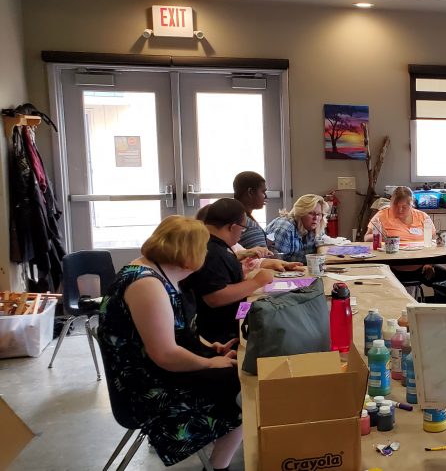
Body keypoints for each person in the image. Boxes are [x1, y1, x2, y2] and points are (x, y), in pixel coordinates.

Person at [96, 215, 242, 469]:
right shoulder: (146, 285)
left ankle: (220, 460)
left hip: (155, 369)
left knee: (238, 372)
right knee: (247, 387)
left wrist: (209, 349)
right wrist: (208, 364)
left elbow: (174, 332)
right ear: (189, 255)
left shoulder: (152, 270)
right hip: (147, 389)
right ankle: (219, 466)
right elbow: (165, 354)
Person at [183, 199, 299, 343]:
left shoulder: (213, 245)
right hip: (220, 335)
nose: (241, 233)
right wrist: (257, 281)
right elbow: (214, 297)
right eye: (243, 228)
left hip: (225, 326)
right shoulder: (212, 252)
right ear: (232, 227)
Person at [363, 186, 446, 287]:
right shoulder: (382, 215)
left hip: (421, 267)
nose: (400, 210)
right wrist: (379, 236)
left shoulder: (422, 217)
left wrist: (430, 263)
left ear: (411, 205)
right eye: (395, 206)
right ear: (391, 203)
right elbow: (366, 238)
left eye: (404, 207)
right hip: (391, 267)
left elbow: (433, 242)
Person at [266, 194, 330, 263]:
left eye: (319, 214)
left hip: (296, 270)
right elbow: (275, 263)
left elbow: (323, 243)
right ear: (300, 213)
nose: (316, 218)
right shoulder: (285, 229)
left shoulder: (314, 225)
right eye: (311, 213)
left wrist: (321, 250)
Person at [233, 171, 271, 249]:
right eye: (263, 192)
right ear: (250, 192)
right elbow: (261, 259)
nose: (266, 196)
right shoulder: (250, 227)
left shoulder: (232, 216)